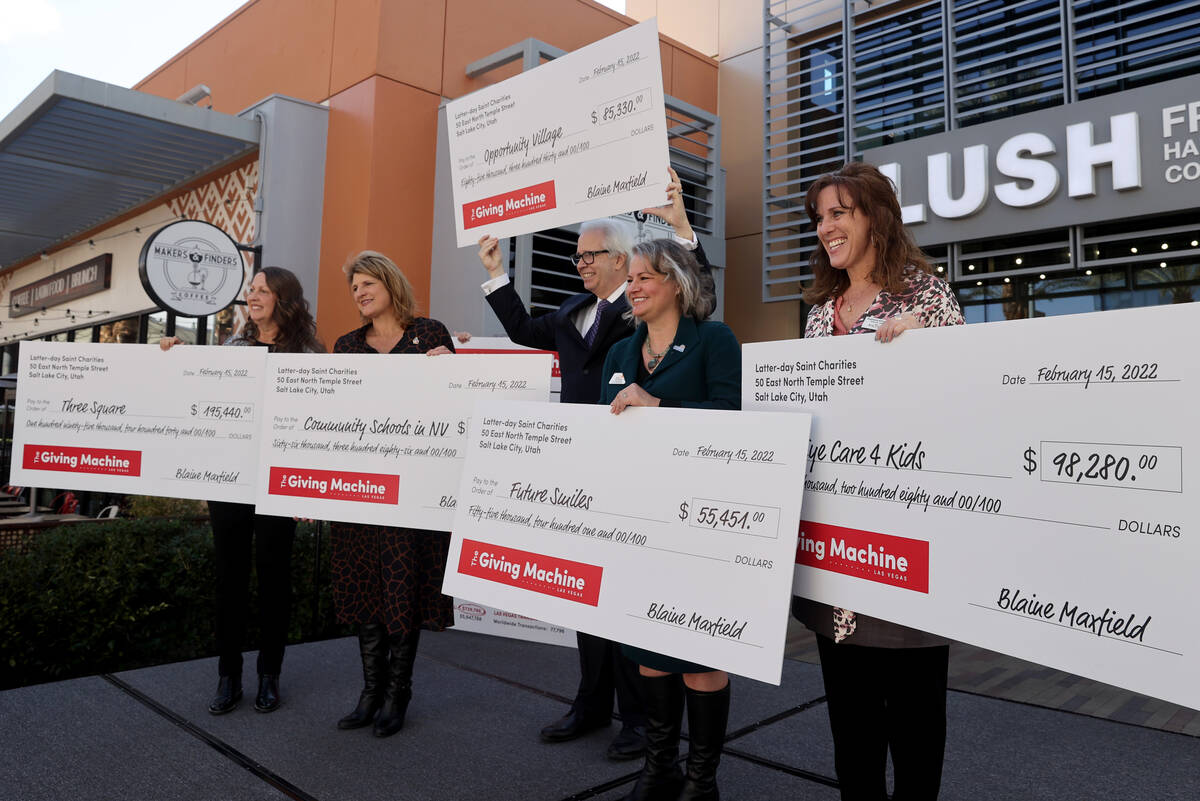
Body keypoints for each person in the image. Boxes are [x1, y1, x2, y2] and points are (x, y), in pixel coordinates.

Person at [474, 169, 704, 760]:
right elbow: (525, 331)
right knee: (587, 597)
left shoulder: (645, 304)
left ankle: (637, 720)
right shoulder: (572, 308)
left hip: (634, 470)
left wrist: (680, 231)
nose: (579, 264)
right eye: (577, 256)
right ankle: (591, 703)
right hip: (580, 470)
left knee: (625, 599)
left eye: (589, 255)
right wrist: (496, 271)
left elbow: (695, 296)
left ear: (622, 257)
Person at [798, 161, 964, 801]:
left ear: (876, 217)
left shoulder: (924, 294)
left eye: (840, 212)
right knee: (852, 728)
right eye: (820, 217)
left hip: (904, 547)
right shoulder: (820, 314)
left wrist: (934, 345)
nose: (826, 227)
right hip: (838, 552)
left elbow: (966, 400)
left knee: (917, 727)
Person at [601, 238, 740, 801]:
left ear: (678, 283)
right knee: (649, 652)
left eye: (643, 277)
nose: (631, 287)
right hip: (640, 522)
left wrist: (659, 409)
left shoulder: (715, 341)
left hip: (700, 523)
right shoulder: (619, 354)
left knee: (701, 656)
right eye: (629, 279)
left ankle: (701, 781)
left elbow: (731, 420)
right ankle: (659, 768)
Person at [160, 266, 324, 715]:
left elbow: (321, 419)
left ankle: (270, 675)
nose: (253, 297)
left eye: (262, 291)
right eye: (250, 290)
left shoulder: (310, 352)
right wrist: (176, 356)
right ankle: (227, 677)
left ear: (283, 299)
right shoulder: (235, 345)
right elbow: (206, 392)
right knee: (228, 579)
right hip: (229, 478)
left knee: (274, 581)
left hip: (278, 482)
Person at [331, 250, 456, 738]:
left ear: (389, 282)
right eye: (354, 287)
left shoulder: (430, 334)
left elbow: (454, 409)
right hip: (361, 487)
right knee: (365, 585)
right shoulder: (346, 346)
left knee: (403, 586)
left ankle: (397, 692)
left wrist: (453, 372)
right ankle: (370, 690)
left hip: (415, 488)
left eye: (367, 283)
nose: (360, 293)